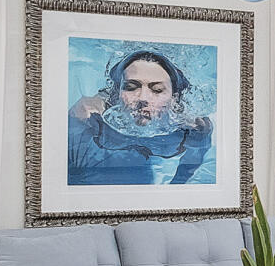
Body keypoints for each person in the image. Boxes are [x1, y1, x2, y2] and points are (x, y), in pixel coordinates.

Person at [66, 48, 215, 186]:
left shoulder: (192, 130)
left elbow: (188, 169)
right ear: (118, 93)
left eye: (157, 90)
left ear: (174, 98)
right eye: (130, 87)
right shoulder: (91, 117)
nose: (143, 98)